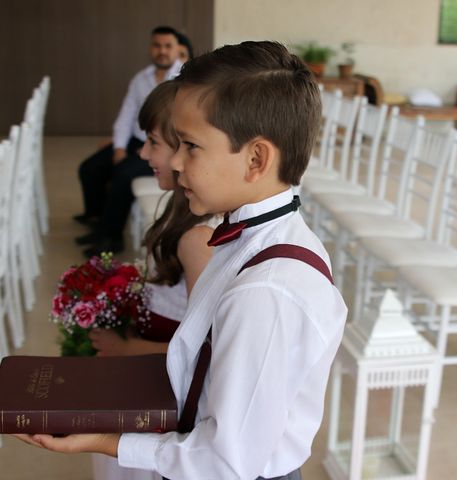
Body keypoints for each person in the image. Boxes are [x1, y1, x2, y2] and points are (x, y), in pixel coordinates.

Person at [14, 41, 348, 480]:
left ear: (256, 158)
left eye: (190, 146)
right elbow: (201, 370)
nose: (173, 159)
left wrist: (102, 441)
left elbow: (227, 460)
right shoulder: (249, 238)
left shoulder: (265, 290)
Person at [89, 81, 216, 480]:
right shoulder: (177, 207)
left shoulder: (198, 238)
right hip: (148, 363)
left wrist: (127, 348)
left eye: (153, 142)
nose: (143, 153)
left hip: (163, 384)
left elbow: (201, 351)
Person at [74, 26, 183, 257]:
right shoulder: (140, 79)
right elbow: (125, 115)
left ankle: (111, 237)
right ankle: (97, 220)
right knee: (90, 168)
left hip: (163, 148)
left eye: (167, 46)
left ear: (177, 49)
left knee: (122, 174)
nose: (162, 51)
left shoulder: (184, 78)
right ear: (150, 48)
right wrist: (119, 146)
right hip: (136, 140)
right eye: (157, 45)